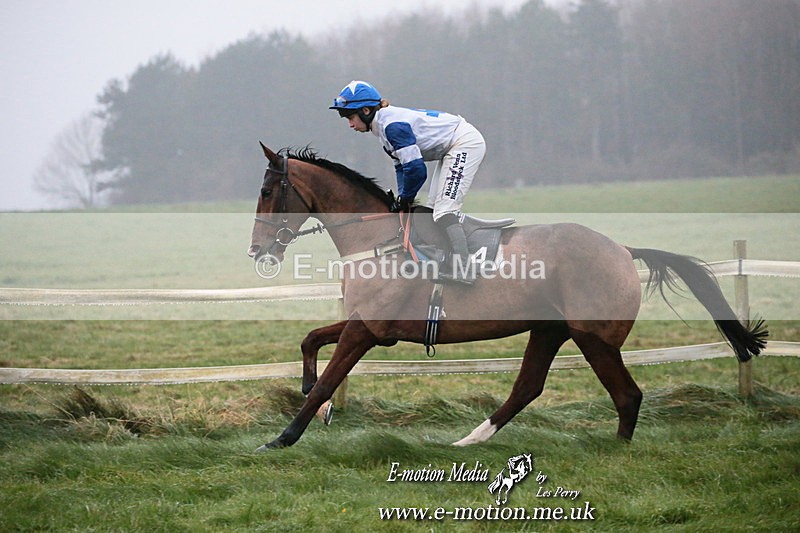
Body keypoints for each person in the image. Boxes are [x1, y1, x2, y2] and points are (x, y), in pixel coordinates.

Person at [329, 80, 486, 285]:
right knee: (432, 209)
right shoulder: (383, 130)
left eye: (350, 117)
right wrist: (402, 197)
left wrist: (405, 198)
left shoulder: (392, 127)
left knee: (445, 210)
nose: (350, 124)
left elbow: (417, 170)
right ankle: (444, 260)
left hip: (464, 143)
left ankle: (465, 267)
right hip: (451, 148)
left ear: (366, 111)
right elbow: (401, 168)